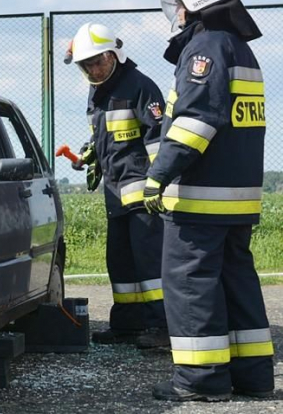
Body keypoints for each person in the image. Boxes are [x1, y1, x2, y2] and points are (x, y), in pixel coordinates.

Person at [143, 0, 273, 401]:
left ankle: (200, 381)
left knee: (190, 285)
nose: (173, 14)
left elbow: (195, 121)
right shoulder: (241, 49)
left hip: (200, 201)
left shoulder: (206, 48)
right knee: (237, 283)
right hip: (237, 200)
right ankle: (253, 376)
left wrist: (157, 176)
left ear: (197, 0)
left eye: (174, 5)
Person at [66, 23, 168, 349]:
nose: (94, 69)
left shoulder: (140, 87)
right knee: (121, 263)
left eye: (98, 61)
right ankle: (127, 326)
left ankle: (161, 327)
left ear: (113, 55)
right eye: (87, 65)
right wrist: (85, 155)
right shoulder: (99, 93)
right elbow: (102, 138)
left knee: (150, 263)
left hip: (142, 193)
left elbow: (158, 139)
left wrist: (159, 185)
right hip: (115, 194)